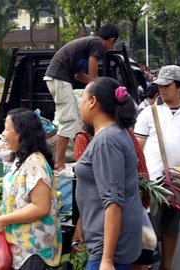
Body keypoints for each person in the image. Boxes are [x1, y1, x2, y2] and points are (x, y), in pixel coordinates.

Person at [134, 65, 180, 270]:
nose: (162, 90)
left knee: (171, 228)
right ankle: (145, 265)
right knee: (148, 230)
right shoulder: (149, 112)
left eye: (167, 86)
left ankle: (166, 266)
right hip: (152, 183)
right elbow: (137, 146)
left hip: (179, 183)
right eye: (160, 86)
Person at [74, 77, 143, 270]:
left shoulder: (106, 141)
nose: (80, 103)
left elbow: (113, 201)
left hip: (110, 245)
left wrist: (107, 259)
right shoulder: (116, 132)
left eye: (82, 98)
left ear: (93, 102)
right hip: (108, 238)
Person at [0, 108, 62, 269]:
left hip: (34, 248)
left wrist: (3, 220)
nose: (3, 134)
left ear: (22, 134)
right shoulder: (20, 158)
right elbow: (16, 198)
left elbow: (41, 207)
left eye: (7, 129)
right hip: (20, 245)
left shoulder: (35, 163)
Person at [44, 23, 120, 173]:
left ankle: (76, 158)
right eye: (113, 44)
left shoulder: (88, 46)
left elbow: (79, 75)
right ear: (112, 40)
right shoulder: (96, 43)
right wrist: (106, 88)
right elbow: (93, 77)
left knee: (75, 119)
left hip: (59, 78)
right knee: (69, 120)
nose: (111, 47)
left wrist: (97, 84)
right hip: (59, 78)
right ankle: (59, 164)